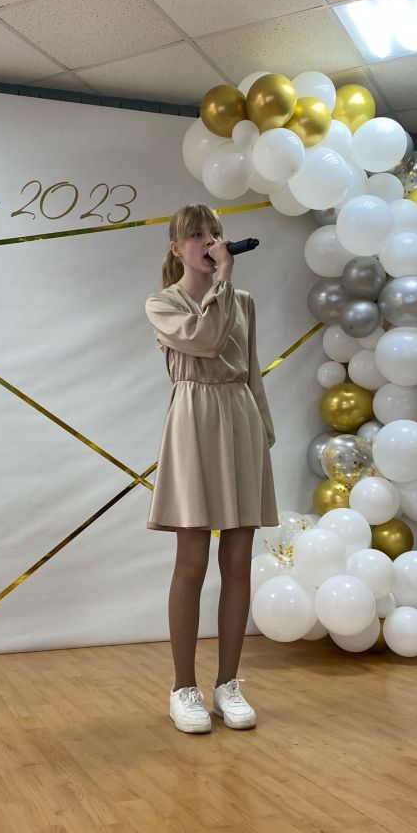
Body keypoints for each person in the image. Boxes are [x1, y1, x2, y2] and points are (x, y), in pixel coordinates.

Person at [145, 204, 278, 734]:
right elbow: (206, 340)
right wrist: (222, 280)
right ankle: (184, 687)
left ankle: (228, 684)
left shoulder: (243, 301)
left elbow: (250, 370)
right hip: (193, 422)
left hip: (239, 419)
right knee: (192, 561)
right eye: (197, 235)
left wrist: (264, 428)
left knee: (239, 560)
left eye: (214, 233)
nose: (209, 241)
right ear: (176, 247)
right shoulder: (162, 303)